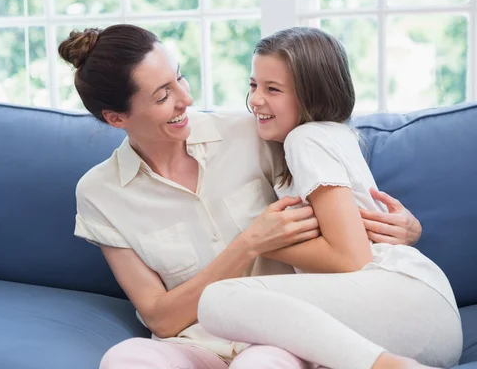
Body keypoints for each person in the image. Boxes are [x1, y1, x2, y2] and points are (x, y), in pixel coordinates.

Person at [58, 24, 426, 369]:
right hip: (193, 344)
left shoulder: (253, 134)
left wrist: (401, 231)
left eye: (180, 77)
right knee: (125, 359)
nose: (186, 98)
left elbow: (337, 194)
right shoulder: (100, 193)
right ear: (116, 117)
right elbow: (160, 317)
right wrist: (248, 245)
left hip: (280, 340)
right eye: (163, 95)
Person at [196, 27, 463, 369]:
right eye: (253, 85)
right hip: (414, 315)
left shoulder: (306, 140)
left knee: (219, 299)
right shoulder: (327, 137)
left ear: (312, 96)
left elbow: (351, 259)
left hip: (406, 299)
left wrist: (258, 241)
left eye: (272, 89)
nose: (256, 100)